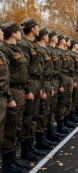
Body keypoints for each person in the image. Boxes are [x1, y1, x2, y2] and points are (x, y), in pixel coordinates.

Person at [0, 21, 31, 172]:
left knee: (16, 125)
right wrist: (9, 97)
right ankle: (7, 162)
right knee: (10, 128)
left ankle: (13, 158)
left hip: (19, 91)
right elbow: (4, 76)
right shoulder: (4, 49)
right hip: (11, 91)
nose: (21, 33)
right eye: (18, 31)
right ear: (13, 33)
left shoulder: (15, 48)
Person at [18, 17, 48, 160]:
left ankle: (32, 147)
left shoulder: (34, 45)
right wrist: (28, 89)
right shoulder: (24, 45)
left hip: (37, 83)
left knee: (34, 116)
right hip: (30, 83)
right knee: (28, 118)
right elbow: (25, 70)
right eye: (36, 27)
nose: (38, 29)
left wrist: (41, 88)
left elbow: (40, 69)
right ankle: (25, 150)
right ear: (31, 29)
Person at [35, 27, 58, 149]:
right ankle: (38, 140)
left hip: (48, 82)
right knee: (38, 113)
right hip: (39, 83)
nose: (50, 37)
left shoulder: (45, 50)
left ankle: (45, 135)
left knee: (47, 110)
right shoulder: (35, 49)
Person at [45, 30, 65, 141]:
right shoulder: (47, 50)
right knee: (46, 110)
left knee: (54, 107)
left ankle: (53, 129)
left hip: (55, 81)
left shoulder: (54, 51)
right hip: (49, 81)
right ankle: (45, 134)